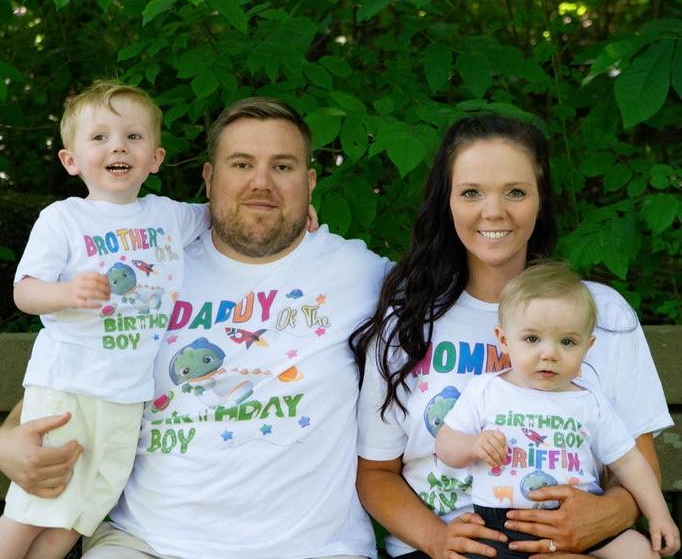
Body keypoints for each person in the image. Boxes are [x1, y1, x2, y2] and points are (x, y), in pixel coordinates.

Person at [0, 97, 390, 558]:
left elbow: (460, 301)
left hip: (313, 549)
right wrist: (5, 443)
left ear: (309, 183)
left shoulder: (358, 273)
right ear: (209, 179)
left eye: (282, 167)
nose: (260, 183)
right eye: (241, 164)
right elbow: (78, 370)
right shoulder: (152, 264)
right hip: (145, 544)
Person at [351, 113, 672, 559]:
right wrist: (438, 540)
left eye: (515, 192)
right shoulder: (409, 321)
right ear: (447, 201)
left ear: (540, 200)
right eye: (471, 192)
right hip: (448, 549)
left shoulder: (600, 313)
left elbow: (634, 461)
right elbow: (376, 474)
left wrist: (604, 517)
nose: (493, 211)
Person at [0, 81, 210, 558]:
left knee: (81, 513)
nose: (118, 146)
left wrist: (297, 208)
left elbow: (224, 213)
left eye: (133, 136)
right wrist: (65, 293)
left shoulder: (168, 216)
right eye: (100, 137)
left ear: (155, 158)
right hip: (68, 387)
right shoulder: (64, 219)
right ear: (70, 160)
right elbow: (24, 292)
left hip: (128, 398)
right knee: (37, 503)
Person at [435, 261, 680, 558]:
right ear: (504, 340)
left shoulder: (589, 401)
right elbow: (445, 445)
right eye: (532, 339)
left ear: (587, 347)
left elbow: (629, 462)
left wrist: (659, 515)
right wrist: (472, 445)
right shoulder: (486, 391)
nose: (549, 354)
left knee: (641, 552)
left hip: (580, 522)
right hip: (499, 527)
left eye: (567, 341)